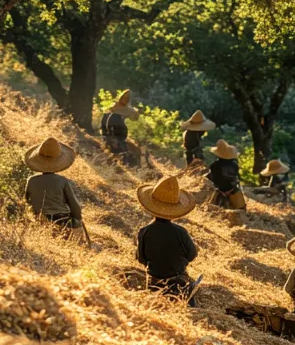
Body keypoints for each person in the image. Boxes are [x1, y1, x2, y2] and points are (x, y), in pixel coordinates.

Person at [136, 175, 200, 306]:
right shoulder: (181, 232)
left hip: (154, 283)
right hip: (178, 282)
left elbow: (141, 259)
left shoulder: (144, 231)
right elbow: (192, 255)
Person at [24, 138, 82, 233]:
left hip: (40, 219)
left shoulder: (31, 181)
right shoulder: (62, 181)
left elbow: (26, 201)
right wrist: (78, 218)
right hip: (62, 219)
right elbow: (73, 203)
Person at [100, 89, 139, 163]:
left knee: (109, 138)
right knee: (121, 140)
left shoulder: (114, 105)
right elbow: (135, 118)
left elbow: (106, 115)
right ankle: (124, 157)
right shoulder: (129, 109)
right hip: (118, 125)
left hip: (108, 124)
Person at [206, 139, 244, 209]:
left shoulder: (214, 165)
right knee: (241, 208)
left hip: (219, 190)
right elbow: (236, 177)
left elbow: (211, 178)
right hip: (232, 190)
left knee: (213, 210)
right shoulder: (234, 165)